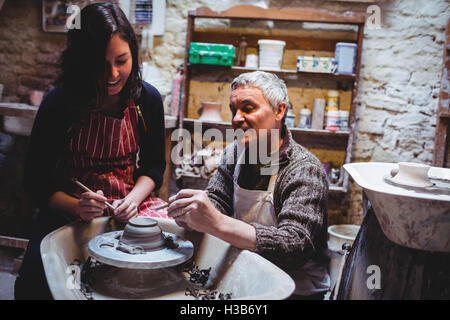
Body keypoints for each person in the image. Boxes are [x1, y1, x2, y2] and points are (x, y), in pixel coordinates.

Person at [15, 3, 168, 299]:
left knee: (167, 265)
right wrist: (77, 206)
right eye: (100, 64)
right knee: (37, 280)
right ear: (82, 62)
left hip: (127, 204)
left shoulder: (146, 99)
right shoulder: (60, 102)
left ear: (133, 55)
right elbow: (34, 182)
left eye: (122, 61)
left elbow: (153, 168)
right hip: (69, 209)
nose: (113, 74)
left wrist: (132, 200)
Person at [168, 71, 330, 299]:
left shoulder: (304, 169)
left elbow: (295, 246)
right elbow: (218, 199)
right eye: (234, 110)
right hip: (248, 269)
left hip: (296, 287)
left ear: (279, 110)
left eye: (248, 108)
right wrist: (193, 213)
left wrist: (216, 222)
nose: (236, 118)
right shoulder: (235, 154)